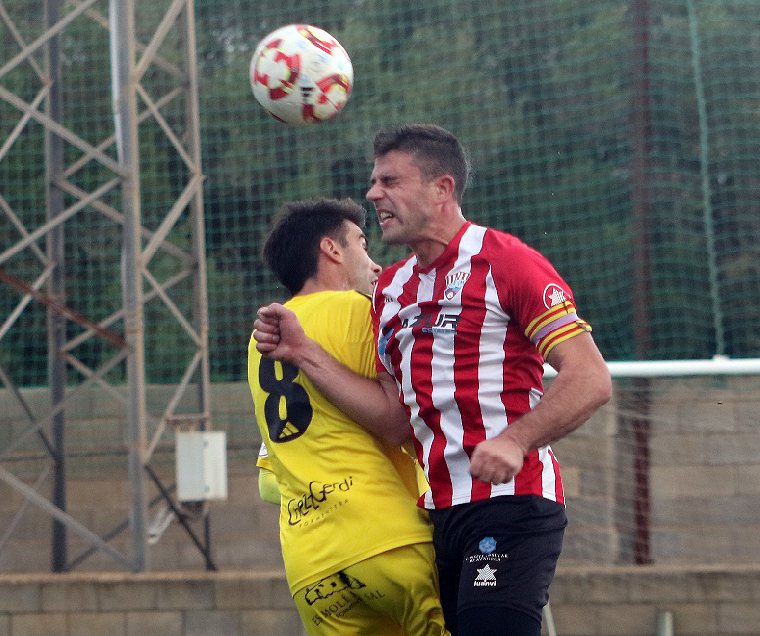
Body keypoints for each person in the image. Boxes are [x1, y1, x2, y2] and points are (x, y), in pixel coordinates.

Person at [253, 124, 613, 636]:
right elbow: (396, 423)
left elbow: (591, 378)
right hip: (436, 516)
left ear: (442, 189)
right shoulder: (391, 291)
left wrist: (515, 440)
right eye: (374, 182)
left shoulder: (507, 262)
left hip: (510, 503)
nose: (374, 194)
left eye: (390, 181)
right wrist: (305, 353)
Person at [247, 197, 449, 636]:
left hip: (310, 563)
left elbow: (267, 481)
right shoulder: (362, 311)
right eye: (361, 244)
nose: (376, 265)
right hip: (385, 536)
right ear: (331, 250)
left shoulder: (263, 339)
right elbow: (400, 422)